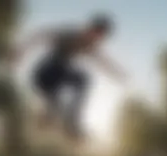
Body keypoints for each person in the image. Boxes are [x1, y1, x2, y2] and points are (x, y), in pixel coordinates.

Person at [12, 13, 128, 142]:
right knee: (78, 77)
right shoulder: (69, 34)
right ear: (91, 29)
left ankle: (50, 121)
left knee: (59, 105)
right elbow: (41, 35)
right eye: (96, 35)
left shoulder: (89, 46)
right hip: (44, 74)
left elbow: (102, 61)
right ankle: (66, 122)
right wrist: (20, 50)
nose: (96, 40)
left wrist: (118, 73)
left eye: (99, 38)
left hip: (55, 82)